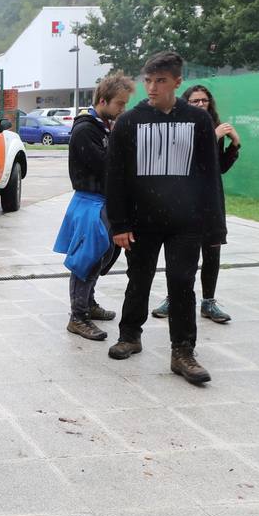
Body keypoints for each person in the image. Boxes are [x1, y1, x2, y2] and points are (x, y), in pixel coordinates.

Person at [105, 52, 224, 385]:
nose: (152, 87)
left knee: (183, 285)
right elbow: (115, 177)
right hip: (141, 222)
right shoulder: (129, 122)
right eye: (148, 80)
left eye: (160, 81)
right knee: (138, 280)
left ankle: (183, 352)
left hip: (186, 224)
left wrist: (214, 226)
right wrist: (119, 224)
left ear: (177, 82)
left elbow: (209, 176)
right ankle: (130, 335)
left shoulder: (199, 122)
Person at [54, 73, 134, 341]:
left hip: (103, 203)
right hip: (90, 203)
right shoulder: (86, 130)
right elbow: (108, 167)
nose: (122, 109)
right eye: (119, 104)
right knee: (85, 261)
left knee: (103, 255)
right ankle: (78, 317)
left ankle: (88, 303)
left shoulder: (103, 127)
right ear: (103, 100)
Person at [151, 84, 241, 324]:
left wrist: (234, 145)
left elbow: (217, 167)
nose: (201, 104)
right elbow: (186, 159)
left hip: (210, 200)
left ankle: (208, 302)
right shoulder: (180, 127)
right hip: (184, 199)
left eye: (204, 100)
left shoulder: (214, 127)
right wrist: (214, 137)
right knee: (180, 254)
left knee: (212, 250)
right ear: (185, 103)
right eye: (195, 101)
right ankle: (174, 298)